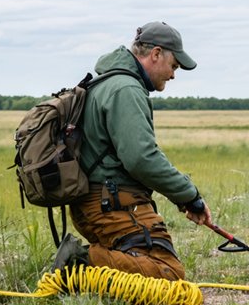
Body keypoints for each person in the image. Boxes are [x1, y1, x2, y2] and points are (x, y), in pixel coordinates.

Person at [52, 21, 213, 280]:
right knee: (168, 273)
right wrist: (189, 194)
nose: (173, 75)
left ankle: (89, 266)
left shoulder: (107, 82)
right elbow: (141, 159)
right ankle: (79, 262)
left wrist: (183, 199)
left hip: (97, 204)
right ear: (156, 54)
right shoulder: (126, 88)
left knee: (147, 262)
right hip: (111, 205)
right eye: (173, 66)